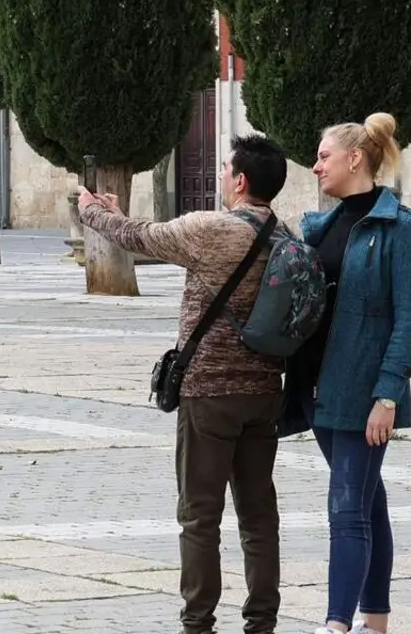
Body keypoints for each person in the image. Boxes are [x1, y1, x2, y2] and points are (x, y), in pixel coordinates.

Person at [78, 134, 291, 634]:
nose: (219, 176)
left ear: (240, 181)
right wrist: (119, 210)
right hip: (264, 392)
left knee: (200, 516)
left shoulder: (210, 228)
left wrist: (92, 211)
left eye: (223, 169)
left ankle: (198, 622)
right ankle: (262, 621)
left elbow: (141, 238)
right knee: (259, 515)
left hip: (210, 395)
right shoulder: (286, 233)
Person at [283, 113, 411, 634]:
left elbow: (409, 319)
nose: (316, 165)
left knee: (347, 506)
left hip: (363, 394)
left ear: (354, 158)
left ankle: (337, 623)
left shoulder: (401, 228)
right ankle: (377, 621)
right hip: (314, 391)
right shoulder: (322, 226)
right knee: (368, 500)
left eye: (323, 156)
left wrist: (388, 394)